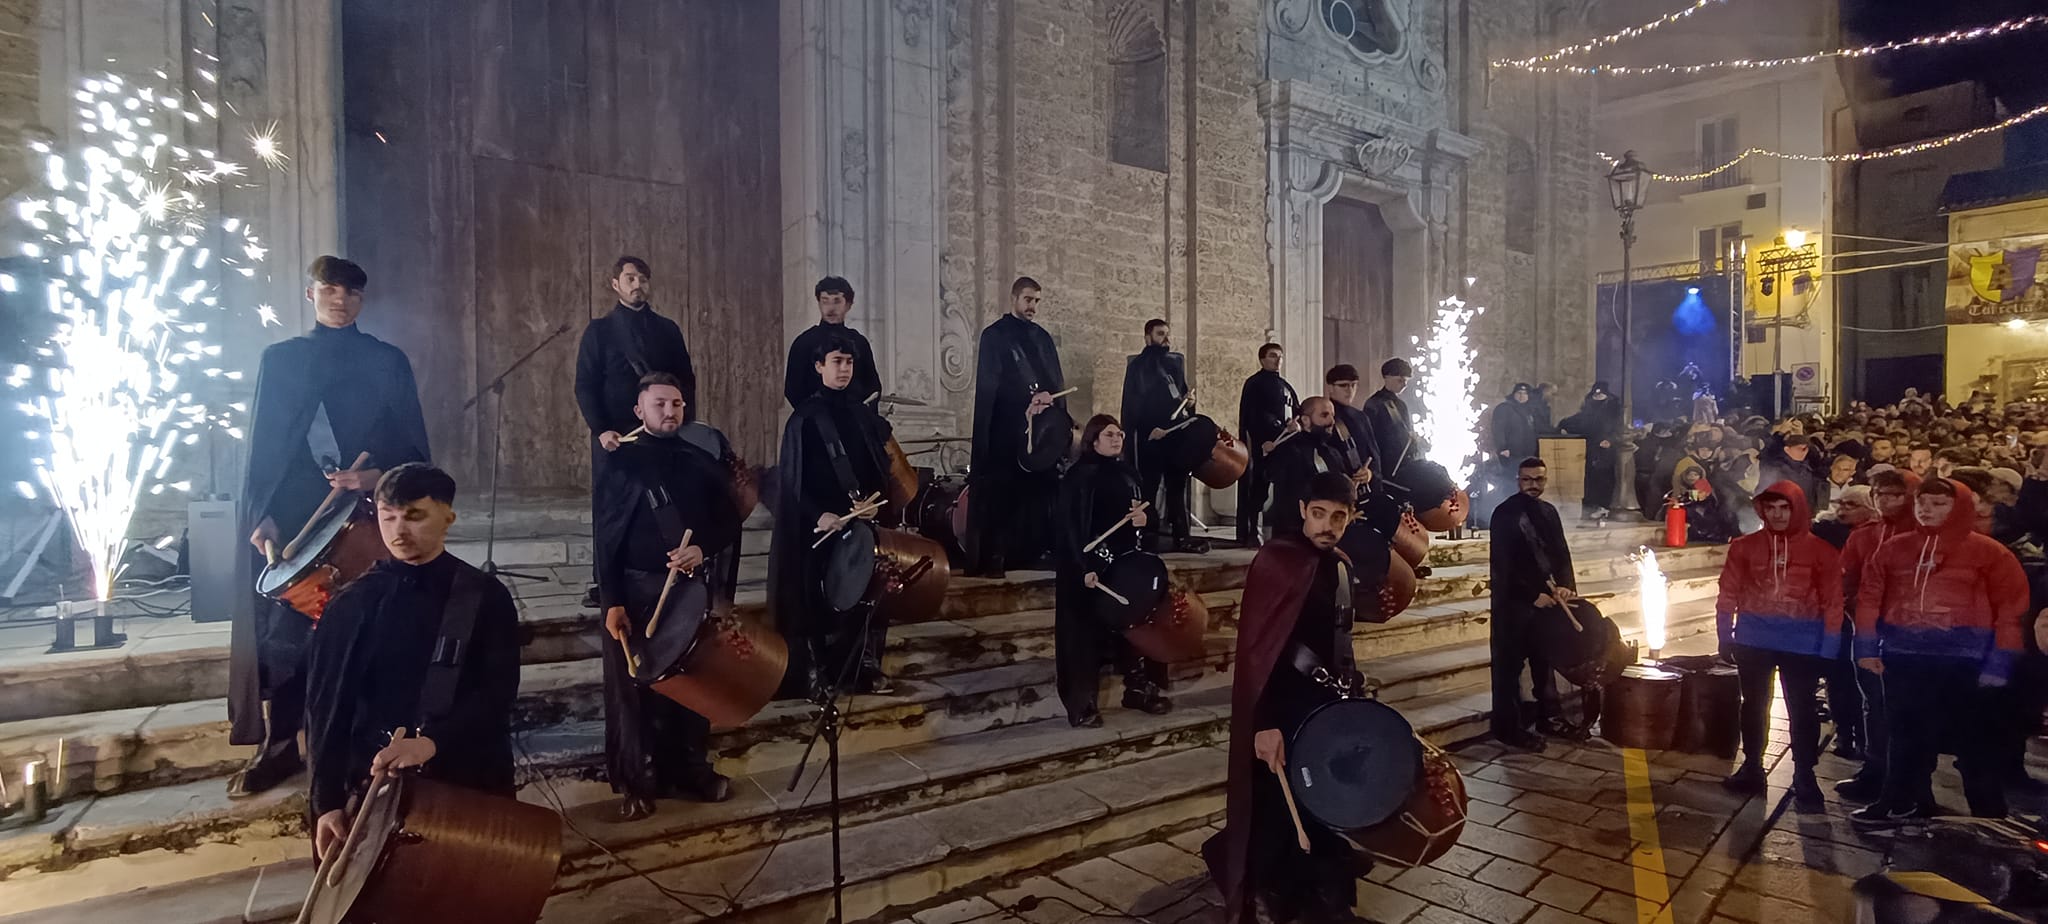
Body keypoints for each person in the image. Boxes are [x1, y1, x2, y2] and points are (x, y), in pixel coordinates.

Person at [231, 256, 432, 797]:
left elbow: (413, 447)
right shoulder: (282, 360)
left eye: (350, 292)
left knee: (363, 627)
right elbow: (262, 448)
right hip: (295, 514)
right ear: (311, 294)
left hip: (363, 515)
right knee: (289, 634)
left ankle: (361, 743)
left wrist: (370, 476)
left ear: (362, 301)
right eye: (329, 289)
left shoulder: (387, 362)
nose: (339, 299)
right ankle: (280, 747)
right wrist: (260, 512)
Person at [303, 464, 518, 860]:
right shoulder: (351, 604)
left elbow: (497, 692)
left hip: (469, 773)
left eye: (415, 516)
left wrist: (433, 743)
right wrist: (326, 802)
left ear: (448, 517)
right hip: (373, 785)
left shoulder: (485, 596)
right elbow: (325, 710)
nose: (399, 531)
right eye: (389, 518)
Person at [1203, 471, 1372, 923]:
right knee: (1275, 807)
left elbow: (1339, 638)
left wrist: (1351, 690)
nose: (1327, 525)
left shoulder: (1338, 563)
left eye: (1338, 516)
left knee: (1317, 800)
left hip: (1322, 709)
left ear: (1351, 517)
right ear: (1302, 510)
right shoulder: (1276, 560)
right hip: (1280, 706)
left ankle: (1310, 888)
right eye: (1318, 514)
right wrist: (1265, 723)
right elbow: (1261, 653)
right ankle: (1263, 885)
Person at [594, 374, 742, 820]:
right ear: (639, 411)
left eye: (677, 404)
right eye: (660, 404)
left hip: (688, 590)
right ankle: (637, 780)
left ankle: (691, 769)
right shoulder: (620, 464)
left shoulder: (698, 461)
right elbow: (606, 539)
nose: (671, 411)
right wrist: (612, 601)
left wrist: (703, 547)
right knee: (634, 689)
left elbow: (727, 520)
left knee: (690, 683)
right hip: (636, 589)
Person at [1852, 478, 2028, 823]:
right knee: (1903, 733)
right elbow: (1870, 598)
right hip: (1904, 655)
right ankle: (1902, 800)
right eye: (1923, 502)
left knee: (1972, 741)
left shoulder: (1989, 552)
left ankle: (1988, 813)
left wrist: (1999, 662)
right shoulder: (1894, 548)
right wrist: (1867, 646)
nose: (1927, 510)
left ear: (1959, 506)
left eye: (1939, 504)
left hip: (1964, 660)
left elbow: (2011, 611)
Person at [770, 333, 899, 698]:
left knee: (863, 593)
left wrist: (878, 502)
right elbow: (793, 482)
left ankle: (860, 666)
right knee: (813, 598)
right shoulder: (804, 419)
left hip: (859, 519)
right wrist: (819, 514)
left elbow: (879, 468)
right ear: (819, 367)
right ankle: (812, 672)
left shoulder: (862, 414)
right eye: (836, 362)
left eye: (849, 363)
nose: (843, 369)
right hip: (818, 525)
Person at [576, 256, 697, 608]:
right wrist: (601, 430)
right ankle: (605, 581)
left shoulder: (667, 329)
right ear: (616, 284)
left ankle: (666, 570)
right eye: (630, 278)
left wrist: (682, 424)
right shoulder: (599, 331)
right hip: (615, 435)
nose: (637, 284)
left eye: (643, 278)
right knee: (611, 508)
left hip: (661, 433)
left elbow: (685, 381)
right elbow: (585, 384)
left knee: (664, 501)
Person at [1714, 483, 1843, 808]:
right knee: (1754, 703)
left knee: (1802, 709)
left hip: (1802, 641)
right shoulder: (1744, 547)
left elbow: (1832, 601)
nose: (1777, 514)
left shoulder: (1822, 552)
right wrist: (1724, 633)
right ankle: (1753, 765)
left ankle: (1804, 774)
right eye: (1770, 508)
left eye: (1784, 508)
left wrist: (1830, 646)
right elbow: (1728, 590)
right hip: (1754, 638)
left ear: (1797, 509)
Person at [1054, 415, 1170, 726]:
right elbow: (1069, 529)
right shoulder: (1079, 477)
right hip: (1090, 568)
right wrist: (1083, 568)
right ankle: (1083, 704)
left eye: (1119, 433)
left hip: (1125, 564)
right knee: (1084, 637)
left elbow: (1147, 512)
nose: (1117, 438)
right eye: (1109, 434)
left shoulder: (1128, 472)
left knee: (1136, 626)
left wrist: (1148, 522)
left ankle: (1137, 688)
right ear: (1093, 440)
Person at [964, 277, 1066, 577]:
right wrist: (1025, 401)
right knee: (1002, 495)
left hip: (1041, 432)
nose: (1032, 306)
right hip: (1006, 431)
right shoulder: (995, 335)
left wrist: (1049, 403)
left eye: (1036, 301)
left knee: (1038, 495)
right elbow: (991, 386)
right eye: (1027, 299)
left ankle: (1034, 552)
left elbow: (1054, 380)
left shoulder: (1043, 338)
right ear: (1013, 299)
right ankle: (995, 557)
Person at [1834, 469, 1920, 802]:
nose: (1885, 501)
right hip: (1867, 630)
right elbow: (1846, 579)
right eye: (1880, 494)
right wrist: (1855, 607)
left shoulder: (1924, 537)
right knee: (1874, 704)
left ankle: (1906, 780)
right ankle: (1875, 771)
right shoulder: (1864, 536)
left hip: (1910, 636)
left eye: (1894, 495)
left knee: (1905, 708)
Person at [1488, 457, 1575, 749]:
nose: (1533, 485)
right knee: (1509, 666)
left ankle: (1549, 716)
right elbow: (1502, 566)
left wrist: (1565, 586)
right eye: (1527, 480)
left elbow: (1562, 553)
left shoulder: (1548, 512)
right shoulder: (1504, 514)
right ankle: (1509, 726)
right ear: (1518, 480)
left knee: (1544, 659)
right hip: (1513, 604)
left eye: (1538, 480)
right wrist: (1530, 596)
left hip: (1547, 601)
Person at [1121, 319, 1205, 553]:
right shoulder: (1138, 366)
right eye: (1160, 334)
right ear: (1148, 337)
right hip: (1151, 438)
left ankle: (1182, 537)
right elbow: (1131, 404)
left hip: (1175, 436)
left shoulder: (1175, 364)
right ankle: (1148, 537)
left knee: (1177, 487)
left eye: (1167, 334)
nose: (1166, 339)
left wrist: (1190, 403)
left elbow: (1183, 396)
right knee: (1149, 487)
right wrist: (1134, 434)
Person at [1263, 397, 1362, 540]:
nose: (1332, 422)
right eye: (1324, 415)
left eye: (1332, 416)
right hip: (1296, 534)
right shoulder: (1289, 450)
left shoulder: (1333, 452)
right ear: (1305, 420)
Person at [784, 275, 882, 408]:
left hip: (853, 420)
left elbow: (872, 386)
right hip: (816, 421)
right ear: (819, 303)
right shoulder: (804, 343)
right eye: (825, 301)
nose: (830, 308)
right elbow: (793, 390)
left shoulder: (859, 343)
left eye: (837, 301)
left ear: (848, 305)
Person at [1235, 343, 1298, 547]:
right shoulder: (1254, 383)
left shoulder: (1286, 385)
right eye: (1273, 356)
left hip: (1285, 445)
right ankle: (1252, 530)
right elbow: (1254, 415)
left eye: (1280, 356)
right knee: (1258, 488)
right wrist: (1274, 430)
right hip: (1263, 445)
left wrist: (1296, 422)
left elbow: (1295, 409)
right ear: (1262, 359)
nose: (1278, 360)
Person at [1561, 382, 1622, 519]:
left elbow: (1619, 427)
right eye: (1596, 394)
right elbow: (1580, 422)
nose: (1598, 396)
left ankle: (1603, 507)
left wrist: (1611, 440)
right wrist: (1563, 425)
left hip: (1605, 449)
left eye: (1601, 394)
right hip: (1589, 447)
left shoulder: (1614, 409)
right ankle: (1588, 509)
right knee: (1588, 479)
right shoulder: (1588, 408)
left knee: (1604, 478)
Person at [1322, 364, 1380, 478]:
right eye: (1343, 385)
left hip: (1364, 484)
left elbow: (1374, 453)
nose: (1350, 390)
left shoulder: (1361, 417)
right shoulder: (1322, 415)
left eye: (1353, 385)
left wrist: (1370, 473)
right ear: (1330, 387)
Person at [1361, 358, 1415, 477]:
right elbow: (1369, 439)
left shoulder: (1401, 405)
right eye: (1400, 380)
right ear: (1387, 377)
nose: (1404, 385)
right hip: (1385, 465)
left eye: (1406, 381)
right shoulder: (1373, 404)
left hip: (1403, 463)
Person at [1490, 383, 1539, 465]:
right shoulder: (1504, 408)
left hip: (1527, 454)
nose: (1522, 396)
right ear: (1514, 394)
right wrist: (1502, 448)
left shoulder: (1529, 411)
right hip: (1510, 453)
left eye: (1525, 394)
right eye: (1519, 393)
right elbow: (1498, 429)